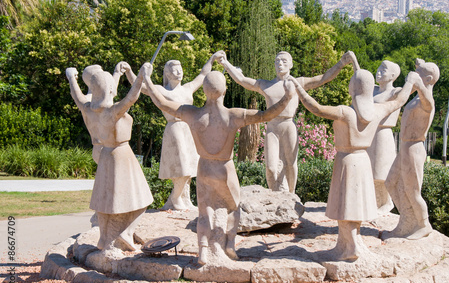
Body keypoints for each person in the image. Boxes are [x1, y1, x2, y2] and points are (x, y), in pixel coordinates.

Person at [140, 61, 295, 265]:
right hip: (224, 169)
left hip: (204, 168)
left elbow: (162, 102)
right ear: (224, 91)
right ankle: (229, 243)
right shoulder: (233, 115)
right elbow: (266, 115)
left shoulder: (192, 113)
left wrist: (148, 81)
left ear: (204, 91)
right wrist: (288, 97)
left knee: (205, 212)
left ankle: (203, 249)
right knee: (233, 207)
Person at [290, 56, 419, 261]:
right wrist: (411, 81)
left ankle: (347, 247)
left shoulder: (346, 112)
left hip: (346, 161)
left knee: (346, 204)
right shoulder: (377, 110)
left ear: (352, 89)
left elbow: (316, 108)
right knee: (356, 204)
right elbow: (400, 100)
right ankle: (353, 243)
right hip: (363, 161)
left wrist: (298, 87)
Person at [216, 50, 358, 193]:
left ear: (290, 64)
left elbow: (323, 78)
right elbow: (242, 80)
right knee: (271, 168)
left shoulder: (297, 82)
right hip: (272, 127)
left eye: (284, 61)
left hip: (289, 125)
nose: (280, 64)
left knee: (291, 164)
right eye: (277, 61)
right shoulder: (266, 85)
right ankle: (274, 194)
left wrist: (341, 63)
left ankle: (291, 195)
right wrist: (226, 64)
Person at [66, 63, 153, 252]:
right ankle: (126, 234)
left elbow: (77, 95)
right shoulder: (113, 111)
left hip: (105, 155)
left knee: (105, 202)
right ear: (110, 89)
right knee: (143, 199)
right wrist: (141, 77)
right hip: (122, 155)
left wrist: (71, 77)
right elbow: (132, 97)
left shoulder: (88, 108)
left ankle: (105, 238)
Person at [124, 54, 218, 211]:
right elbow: (140, 85)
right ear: (167, 74)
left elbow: (203, 74)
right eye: (175, 70)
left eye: (180, 69)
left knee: (190, 166)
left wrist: (212, 59)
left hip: (189, 129)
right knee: (181, 165)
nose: (179, 72)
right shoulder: (161, 90)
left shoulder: (187, 88)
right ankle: (174, 198)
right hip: (175, 128)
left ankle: (184, 199)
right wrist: (135, 72)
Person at [385, 59, 440, 240]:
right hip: (405, 147)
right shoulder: (417, 97)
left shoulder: (427, 100)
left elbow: (428, 102)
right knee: (390, 183)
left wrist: (416, 81)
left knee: (412, 191)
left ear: (428, 79)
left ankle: (424, 224)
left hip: (414, 148)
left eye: (420, 75)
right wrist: (419, 68)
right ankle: (408, 218)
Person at [366, 60, 402, 215]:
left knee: (382, 171)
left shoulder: (395, 92)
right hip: (369, 133)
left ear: (393, 76)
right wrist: (353, 61)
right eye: (378, 68)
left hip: (383, 134)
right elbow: (360, 77)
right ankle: (373, 202)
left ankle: (387, 203)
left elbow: (408, 90)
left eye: (384, 69)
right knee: (369, 171)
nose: (378, 71)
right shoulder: (373, 90)